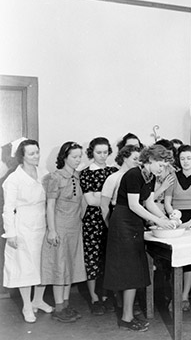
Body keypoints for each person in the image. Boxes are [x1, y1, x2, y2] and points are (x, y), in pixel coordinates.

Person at [103, 145, 176, 331]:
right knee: (129, 271)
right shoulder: (134, 174)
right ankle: (126, 317)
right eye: (161, 164)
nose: (162, 169)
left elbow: (149, 202)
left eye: (165, 165)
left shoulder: (149, 176)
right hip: (123, 223)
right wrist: (157, 220)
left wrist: (164, 219)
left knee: (134, 271)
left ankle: (128, 314)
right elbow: (134, 205)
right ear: (150, 160)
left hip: (133, 224)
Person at [2, 139, 52, 323]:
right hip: (23, 226)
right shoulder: (13, 179)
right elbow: (8, 209)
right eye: (31, 153)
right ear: (22, 157)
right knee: (25, 266)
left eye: (37, 152)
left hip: (43, 223)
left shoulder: (43, 174)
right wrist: (11, 233)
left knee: (42, 264)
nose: (36, 156)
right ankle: (27, 305)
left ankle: (38, 300)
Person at [41, 142, 87, 323]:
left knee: (70, 266)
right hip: (59, 226)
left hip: (75, 227)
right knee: (60, 267)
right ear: (64, 157)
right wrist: (52, 230)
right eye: (74, 157)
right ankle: (59, 307)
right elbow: (50, 205)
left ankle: (66, 305)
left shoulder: (77, 176)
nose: (78, 160)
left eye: (79, 156)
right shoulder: (55, 177)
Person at [164, 145, 191, 311]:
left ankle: (184, 297)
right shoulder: (172, 177)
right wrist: (173, 216)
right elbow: (167, 201)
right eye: (182, 158)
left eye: (188, 158)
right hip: (175, 219)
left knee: (190, 261)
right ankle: (175, 295)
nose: (185, 162)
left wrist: (190, 223)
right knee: (174, 259)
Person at [80, 137, 118, 315]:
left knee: (108, 257)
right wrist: (106, 198)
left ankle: (106, 295)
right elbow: (91, 200)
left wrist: (101, 196)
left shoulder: (114, 171)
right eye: (98, 152)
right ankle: (94, 298)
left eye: (105, 152)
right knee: (92, 258)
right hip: (93, 221)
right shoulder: (86, 173)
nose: (102, 156)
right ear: (91, 152)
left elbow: (117, 197)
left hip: (111, 218)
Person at [100, 145, 142, 226]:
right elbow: (104, 206)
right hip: (119, 219)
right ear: (124, 158)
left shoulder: (139, 177)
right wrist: (109, 225)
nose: (138, 162)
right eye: (135, 159)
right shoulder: (113, 178)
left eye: (139, 160)